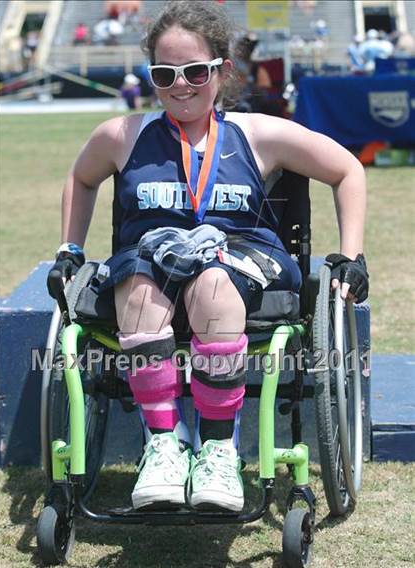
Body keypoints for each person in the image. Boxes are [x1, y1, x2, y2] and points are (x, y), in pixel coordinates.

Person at [47, 1, 369, 513]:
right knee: (139, 286)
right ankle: (165, 447)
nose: (180, 85)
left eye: (195, 71)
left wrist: (352, 256)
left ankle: (218, 450)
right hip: (152, 259)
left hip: (240, 258)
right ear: (150, 75)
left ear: (220, 70)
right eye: (164, 73)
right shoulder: (122, 136)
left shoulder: (258, 133)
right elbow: (81, 178)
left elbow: (348, 170)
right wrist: (70, 248)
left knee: (213, 285)